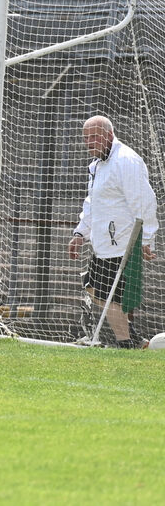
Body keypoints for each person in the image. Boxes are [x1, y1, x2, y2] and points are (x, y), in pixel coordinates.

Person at [67, 115, 157, 348]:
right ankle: (135, 340)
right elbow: (92, 203)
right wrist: (80, 234)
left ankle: (126, 343)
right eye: (86, 138)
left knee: (111, 297)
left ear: (109, 134)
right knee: (95, 289)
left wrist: (147, 239)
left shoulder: (126, 160)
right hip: (102, 244)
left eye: (94, 136)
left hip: (123, 243)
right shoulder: (96, 166)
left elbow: (144, 201)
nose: (89, 142)